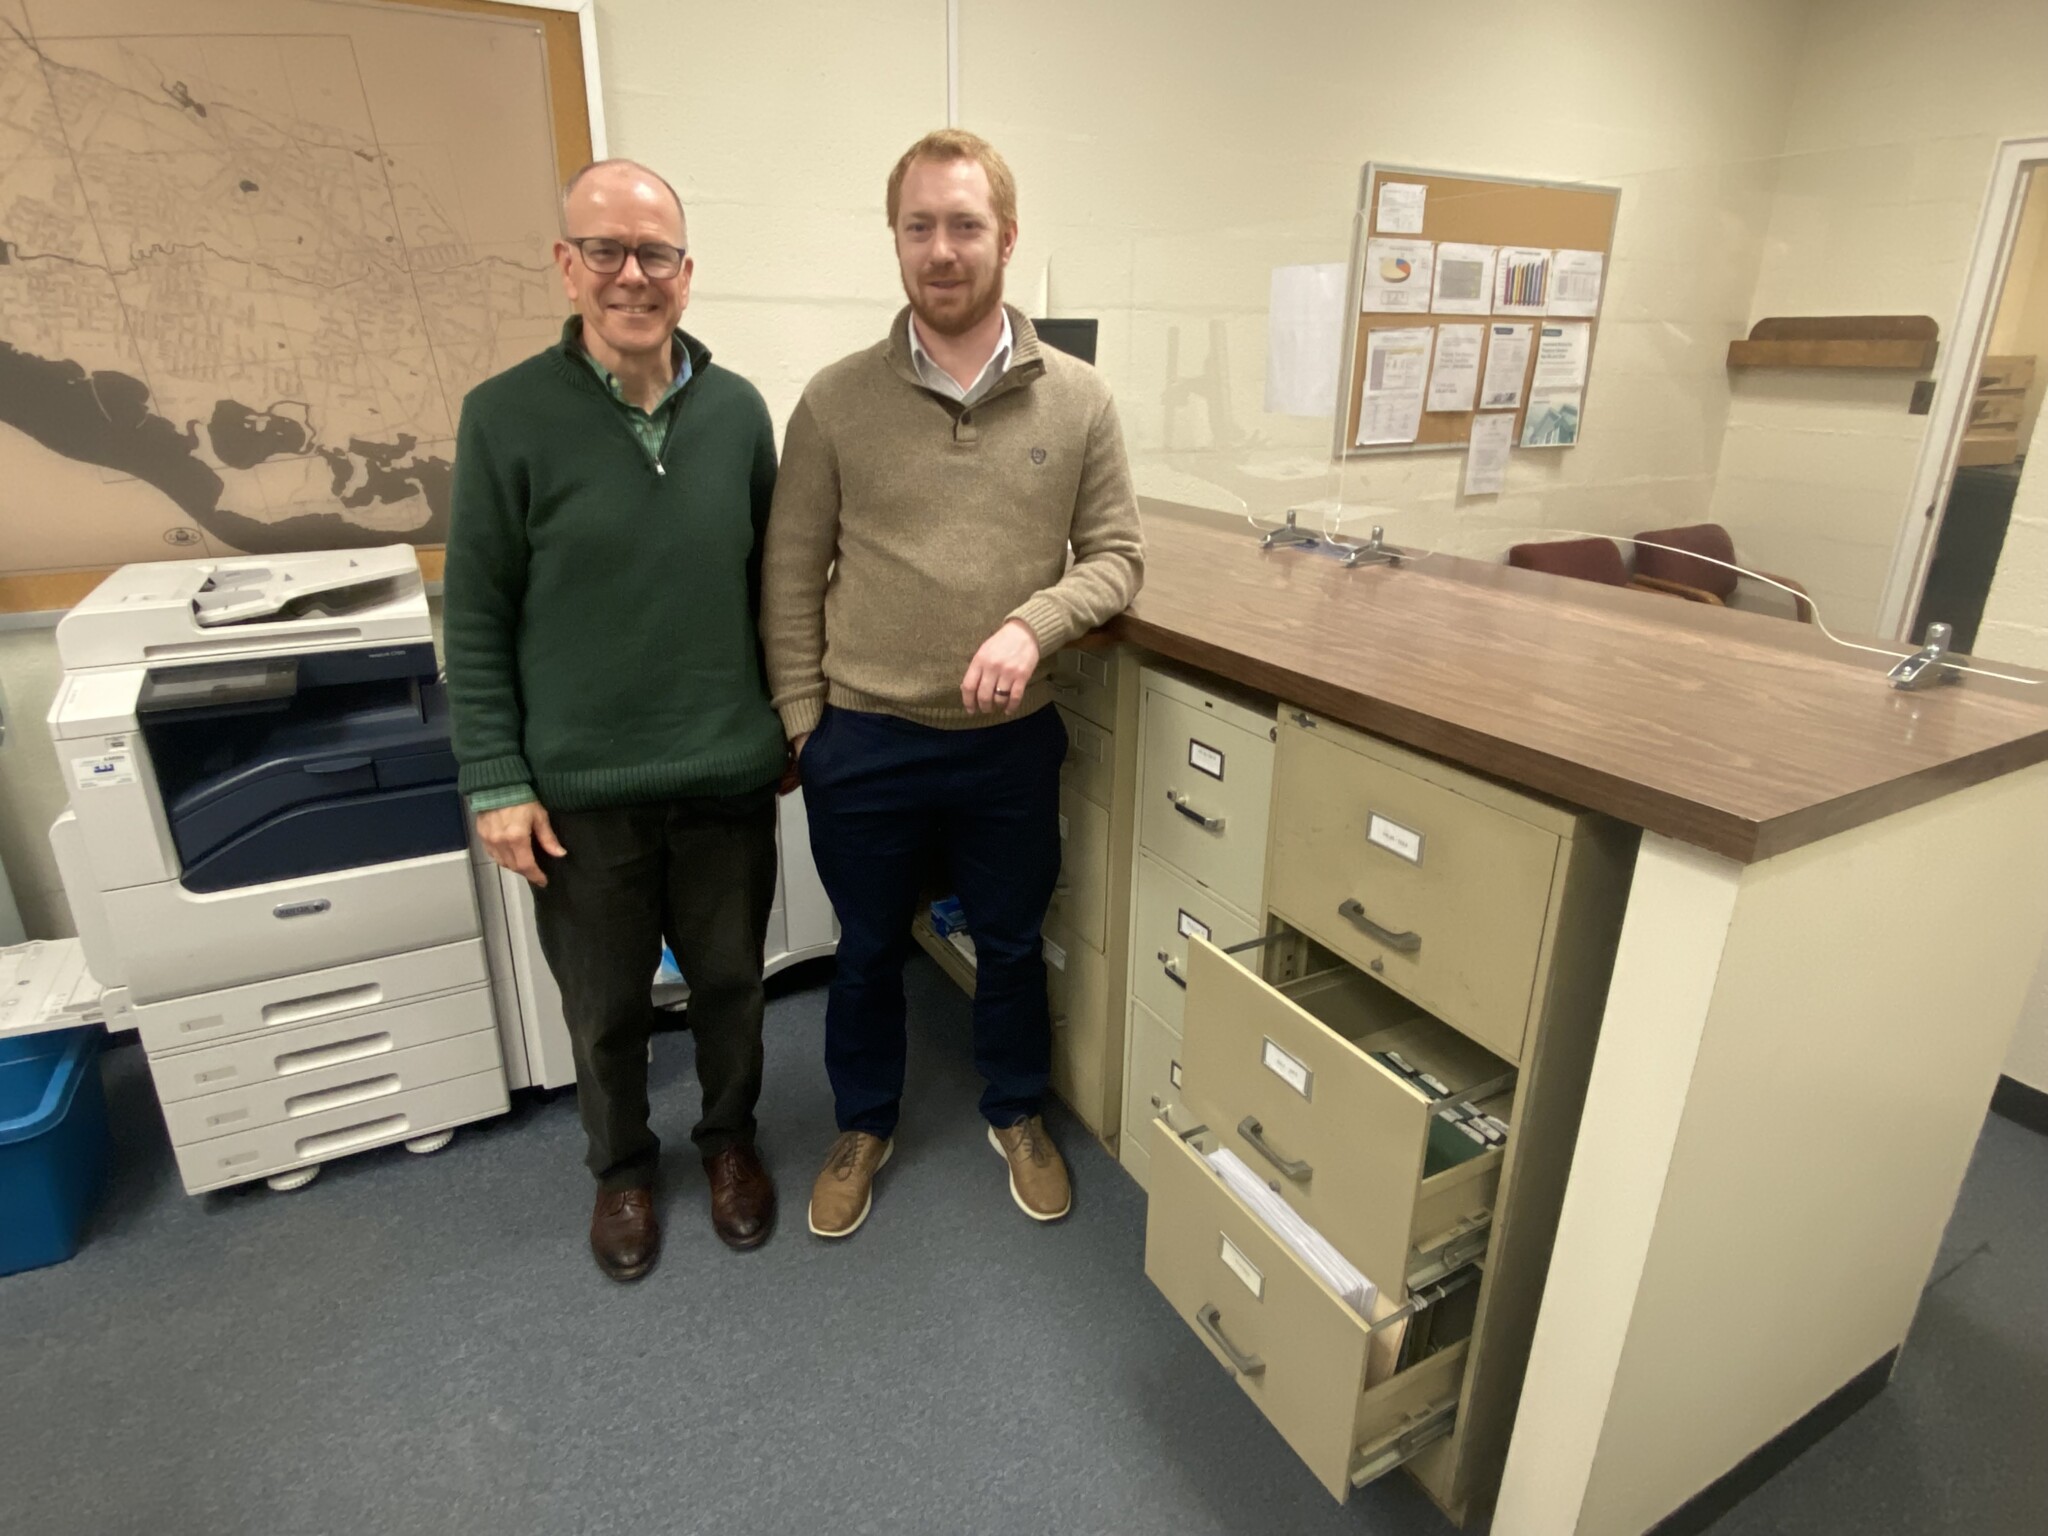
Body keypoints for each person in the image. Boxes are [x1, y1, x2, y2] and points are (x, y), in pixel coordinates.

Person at [761, 129, 1144, 1239]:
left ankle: (1014, 1110)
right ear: (895, 241)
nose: (941, 248)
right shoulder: (835, 402)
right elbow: (790, 573)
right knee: (868, 951)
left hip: (1007, 740)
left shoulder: (1079, 401)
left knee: (1011, 942)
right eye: (919, 225)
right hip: (864, 737)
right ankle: (863, 1122)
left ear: (1006, 239)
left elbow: (1116, 555)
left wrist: (1034, 625)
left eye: (963, 224)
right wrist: (804, 724)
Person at [444, 159, 785, 1280]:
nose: (630, 275)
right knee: (603, 1008)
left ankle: (729, 1141)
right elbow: (478, 614)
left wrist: (788, 723)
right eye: (605, 250)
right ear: (566, 264)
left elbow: (770, 589)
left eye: (653, 255)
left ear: (686, 276)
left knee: (734, 985)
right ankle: (622, 1168)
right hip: (579, 791)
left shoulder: (737, 413)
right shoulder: (504, 418)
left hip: (725, 771)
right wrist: (495, 777)